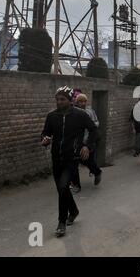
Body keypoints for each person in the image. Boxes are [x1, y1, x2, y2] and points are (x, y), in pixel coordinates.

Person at [41, 86, 97, 237]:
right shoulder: (52, 116)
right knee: (62, 189)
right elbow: (45, 133)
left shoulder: (80, 115)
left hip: (72, 158)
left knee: (63, 186)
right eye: (57, 99)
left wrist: (86, 146)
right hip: (56, 158)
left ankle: (61, 222)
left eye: (62, 99)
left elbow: (93, 130)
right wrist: (45, 140)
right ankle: (74, 211)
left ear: (70, 100)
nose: (59, 102)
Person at [69, 93, 102, 193]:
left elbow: (96, 123)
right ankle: (76, 184)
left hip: (88, 140)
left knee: (88, 161)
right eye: (80, 101)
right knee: (73, 162)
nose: (82, 103)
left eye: (84, 101)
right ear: (76, 102)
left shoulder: (90, 111)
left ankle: (97, 172)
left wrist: (89, 123)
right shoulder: (73, 112)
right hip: (77, 141)